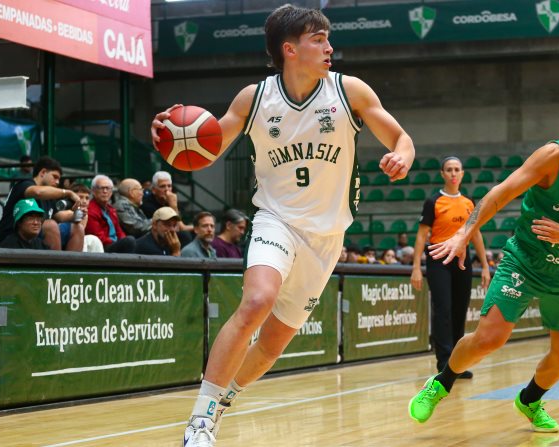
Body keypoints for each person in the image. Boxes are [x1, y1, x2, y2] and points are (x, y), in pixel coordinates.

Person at [151, 5, 414, 445]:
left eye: (328, 38)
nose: (330, 47)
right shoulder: (254, 99)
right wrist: (169, 136)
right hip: (275, 219)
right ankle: (200, 419)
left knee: (273, 343)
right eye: (318, 39)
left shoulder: (350, 92)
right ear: (290, 49)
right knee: (257, 300)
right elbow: (206, 147)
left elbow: (400, 138)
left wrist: (402, 156)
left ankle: (224, 400)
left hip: (327, 236)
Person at [408, 85, 559, 434]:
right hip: (524, 261)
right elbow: (501, 193)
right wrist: (464, 233)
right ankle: (441, 382)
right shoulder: (554, 155)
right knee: (490, 338)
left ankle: (529, 399)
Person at [410, 156, 490, 379]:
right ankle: (444, 363)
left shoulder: (469, 203)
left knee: (459, 311)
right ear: (442, 174)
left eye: (457, 169)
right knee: (443, 310)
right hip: (438, 260)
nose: (453, 173)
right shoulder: (433, 201)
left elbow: (476, 234)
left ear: (462, 174)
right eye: (449, 170)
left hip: (463, 262)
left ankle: (457, 363)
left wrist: (484, 266)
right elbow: (421, 235)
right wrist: (416, 267)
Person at [0, 156, 83, 251]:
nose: (58, 182)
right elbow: (38, 192)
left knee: (77, 228)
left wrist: (78, 213)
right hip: (12, 239)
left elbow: (59, 215)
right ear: (43, 172)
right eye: (55, 177)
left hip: (36, 238)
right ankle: (55, 265)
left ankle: (71, 265)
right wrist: (67, 192)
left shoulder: (49, 196)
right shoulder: (24, 184)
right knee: (50, 225)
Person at [85, 175, 136, 253]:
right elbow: (98, 236)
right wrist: (119, 243)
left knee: (138, 243)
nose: (105, 191)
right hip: (103, 247)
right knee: (130, 241)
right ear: (93, 191)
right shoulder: (90, 210)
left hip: (114, 243)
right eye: (101, 188)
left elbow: (119, 231)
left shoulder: (111, 209)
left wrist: (122, 240)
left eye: (108, 188)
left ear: (111, 192)